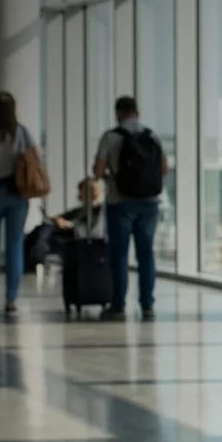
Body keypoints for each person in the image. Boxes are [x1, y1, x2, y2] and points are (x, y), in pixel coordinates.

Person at [93, 97, 168, 321]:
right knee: (146, 254)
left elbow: (98, 171)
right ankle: (147, 305)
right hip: (150, 202)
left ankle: (118, 305)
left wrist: (111, 175)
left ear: (118, 113)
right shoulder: (152, 136)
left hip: (120, 202)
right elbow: (164, 169)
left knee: (120, 255)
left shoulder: (110, 136)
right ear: (137, 112)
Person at [0, 90, 35, 316]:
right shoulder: (21, 132)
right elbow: (35, 158)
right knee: (15, 245)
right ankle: (11, 299)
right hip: (17, 193)